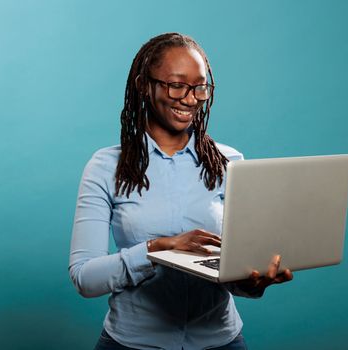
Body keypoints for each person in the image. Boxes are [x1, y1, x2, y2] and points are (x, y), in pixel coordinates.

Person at [69, 32, 293, 350]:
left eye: (200, 87)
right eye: (177, 85)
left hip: (220, 342)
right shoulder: (106, 167)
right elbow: (85, 278)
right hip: (133, 344)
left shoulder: (230, 162)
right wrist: (156, 249)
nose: (190, 99)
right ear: (144, 85)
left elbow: (234, 274)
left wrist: (253, 283)